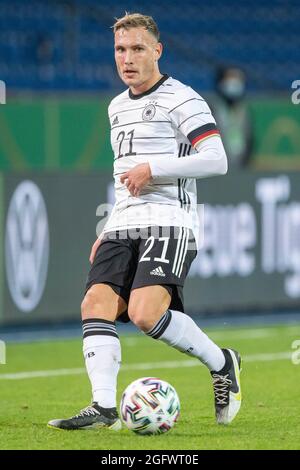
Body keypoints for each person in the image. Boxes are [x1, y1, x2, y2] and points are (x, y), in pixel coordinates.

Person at [48, 13, 242, 431]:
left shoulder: (183, 99)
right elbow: (124, 179)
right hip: (124, 221)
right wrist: (108, 227)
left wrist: (153, 168)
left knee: (144, 313)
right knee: (94, 303)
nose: (128, 58)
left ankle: (221, 361)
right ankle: (102, 408)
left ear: (157, 50)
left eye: (137, 48)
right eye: (120, 49)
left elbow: (216, 159)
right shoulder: (116, 106)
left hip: (170, 219)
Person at [213, 66, 253, 167]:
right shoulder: (212, 108)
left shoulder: (245, 110)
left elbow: (250, 140)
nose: (234, 83)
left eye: (238, 79)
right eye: (230, 78)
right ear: (221, 81)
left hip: (240, 167)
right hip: (218, 168)